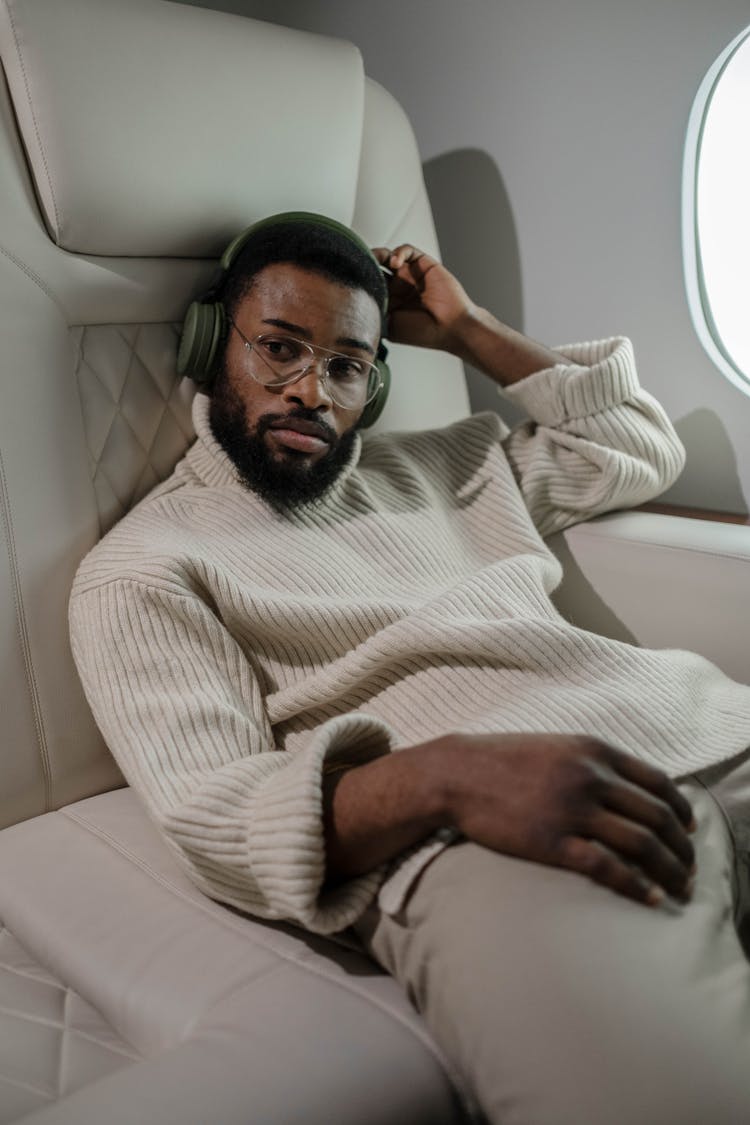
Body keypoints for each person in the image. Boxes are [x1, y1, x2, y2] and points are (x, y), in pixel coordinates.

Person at [69, 213, 750, 1125]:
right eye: (279, 349)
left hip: (714, 727)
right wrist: (448, 775)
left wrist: (468, 329)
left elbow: (632, 445)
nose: (311, 390)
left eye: (347, 365)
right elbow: (217, 807)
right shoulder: (145, 566)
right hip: (506, 839)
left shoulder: (447, 467)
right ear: (208, 345)